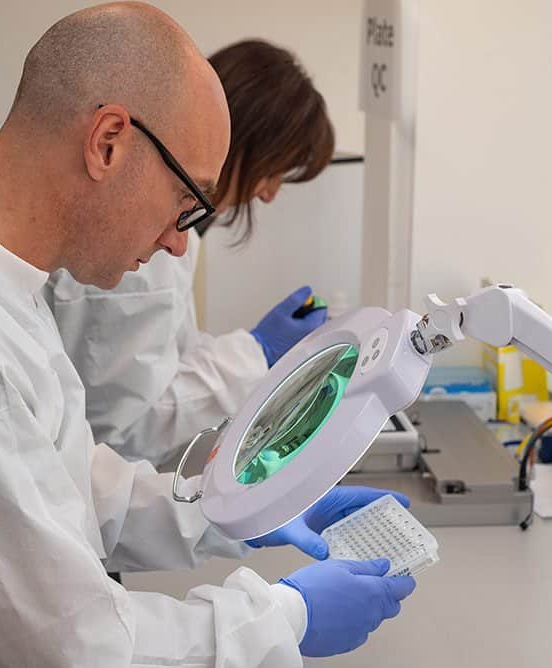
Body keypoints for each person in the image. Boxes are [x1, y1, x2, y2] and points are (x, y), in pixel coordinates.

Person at [0, 4, 415, 666]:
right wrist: (283, 617)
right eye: (185, 203)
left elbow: (64, 477)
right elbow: (63, 648)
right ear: (108, 142)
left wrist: (224, 509)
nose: (180, 244)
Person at [43, 39, 335, 467]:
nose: (269, 194)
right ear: (242, 138)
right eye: (273, 171)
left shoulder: (174, 233)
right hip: (110, 504)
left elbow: (159, 362)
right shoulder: (141, 247)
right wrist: (255, 351)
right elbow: (123, 430)